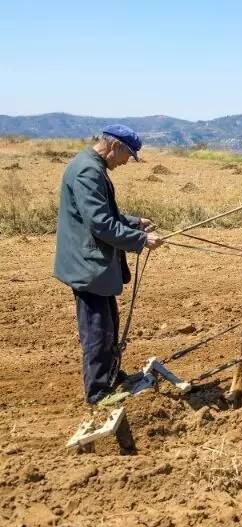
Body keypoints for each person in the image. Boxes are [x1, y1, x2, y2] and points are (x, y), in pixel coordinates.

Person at [53, 124, 163, 404]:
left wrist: (135, 222)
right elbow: (101, 224)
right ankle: (98, 393)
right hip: (88, 265)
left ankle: (111, 376)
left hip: (92, 263)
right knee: (98, 331)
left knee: (109, 324)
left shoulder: (91, 165)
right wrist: (140, 239)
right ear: (115, 147)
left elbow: (106, 213)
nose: (127, 162)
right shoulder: (88, 171)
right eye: (128, 156)